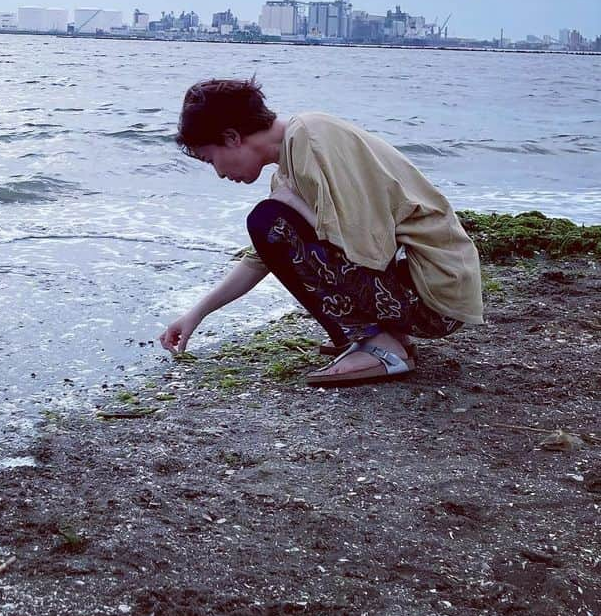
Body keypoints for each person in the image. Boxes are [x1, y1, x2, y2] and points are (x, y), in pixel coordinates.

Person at [159, 77, 483, 386]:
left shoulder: (310, 140)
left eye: (210, 158)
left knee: (267, 219)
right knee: (270, 223)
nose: (218, 172)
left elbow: (369, 247)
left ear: (232, 137)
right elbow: (262, 258)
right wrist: (196, 315)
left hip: (434, 297)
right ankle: (382, 339)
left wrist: (288, 206)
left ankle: (380, 345)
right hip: (422, 292)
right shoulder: (290, 164)